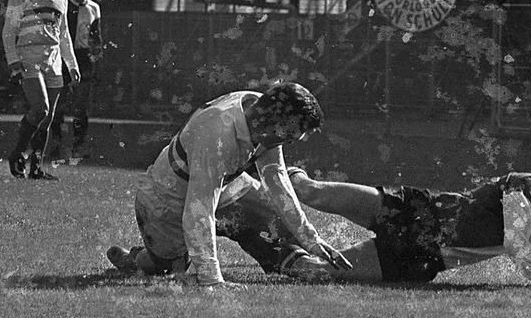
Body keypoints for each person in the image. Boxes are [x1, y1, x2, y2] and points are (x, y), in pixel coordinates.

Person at [105, 82, 352, 288]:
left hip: (221, 186)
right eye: (289, 136)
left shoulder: (263, 112)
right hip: (166, 200)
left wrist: (311, 239)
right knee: (169, 270)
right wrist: (212, 280)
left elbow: (276, 180)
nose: (290, 142)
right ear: (276, 122)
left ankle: (293, 259)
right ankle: (137, 259)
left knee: (274, 222)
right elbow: (199, 209)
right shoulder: (217, 133)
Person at [264, 162, 531, 289]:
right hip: (417, 210)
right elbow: (516, 242)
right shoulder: (527, 187)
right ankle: (261, 167)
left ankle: (268, 244)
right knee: (311, 191)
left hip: (421, 256)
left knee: (318, 273)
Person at [2, 0, 80, 180]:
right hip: (29, 55)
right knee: (40, 108)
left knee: (47, 118)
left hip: (53, 59)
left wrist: (72, 64)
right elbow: (9, 28)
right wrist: (13, 60)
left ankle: (35, 168)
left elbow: (64, 34)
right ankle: (17, 153)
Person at [49, 0, 103, 160]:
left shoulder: (93, 8)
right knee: (59, 104)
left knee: (81, 106)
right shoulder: (63, 1)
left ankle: (77, 147)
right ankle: (55, 145)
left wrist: (96, 59)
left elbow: (96, 37)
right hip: (63, 57)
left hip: (83, 58)